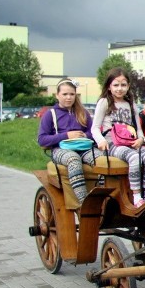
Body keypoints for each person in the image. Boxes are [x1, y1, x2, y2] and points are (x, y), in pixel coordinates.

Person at [37, 78, 105, 206]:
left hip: (84, 147)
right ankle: (84, 201)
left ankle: (103, 197)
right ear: (57, 95)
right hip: (61, 149)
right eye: (65, 94)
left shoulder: (82, 112)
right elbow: (42, 139)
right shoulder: (50, 114)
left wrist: (85, 134)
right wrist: (66, 135)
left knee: (102, 160)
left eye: (72, 94)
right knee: (73, 160)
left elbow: (94, 132)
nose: (68, 97)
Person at [91, 68, 145, 207]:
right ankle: (136, 195)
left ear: (128, 86)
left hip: (130, 141)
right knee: (134, 157)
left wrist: (140, 139)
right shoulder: (105, 102)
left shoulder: (131, 104)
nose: (119, 89)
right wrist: (101, 140)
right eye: (116, 85)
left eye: (123, 85)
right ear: (109, 86)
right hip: (112, 144)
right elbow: (94, 127)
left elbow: (138, 129)